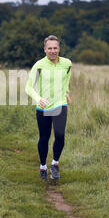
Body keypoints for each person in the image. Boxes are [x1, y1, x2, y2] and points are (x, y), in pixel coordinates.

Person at [25, 35, 72, 181]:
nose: (53, 51)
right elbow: (28, 87)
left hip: (60, 104)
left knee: (59, 135)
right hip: (43, 107)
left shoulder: (67, 63)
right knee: (44, 138)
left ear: (59, 48)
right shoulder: (39, 65)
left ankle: (55, 164)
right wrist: (39, 99)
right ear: (45, 49)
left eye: (55, 48)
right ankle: (43, 166)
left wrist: (66, 92)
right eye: (50, 48)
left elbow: (66, 80)